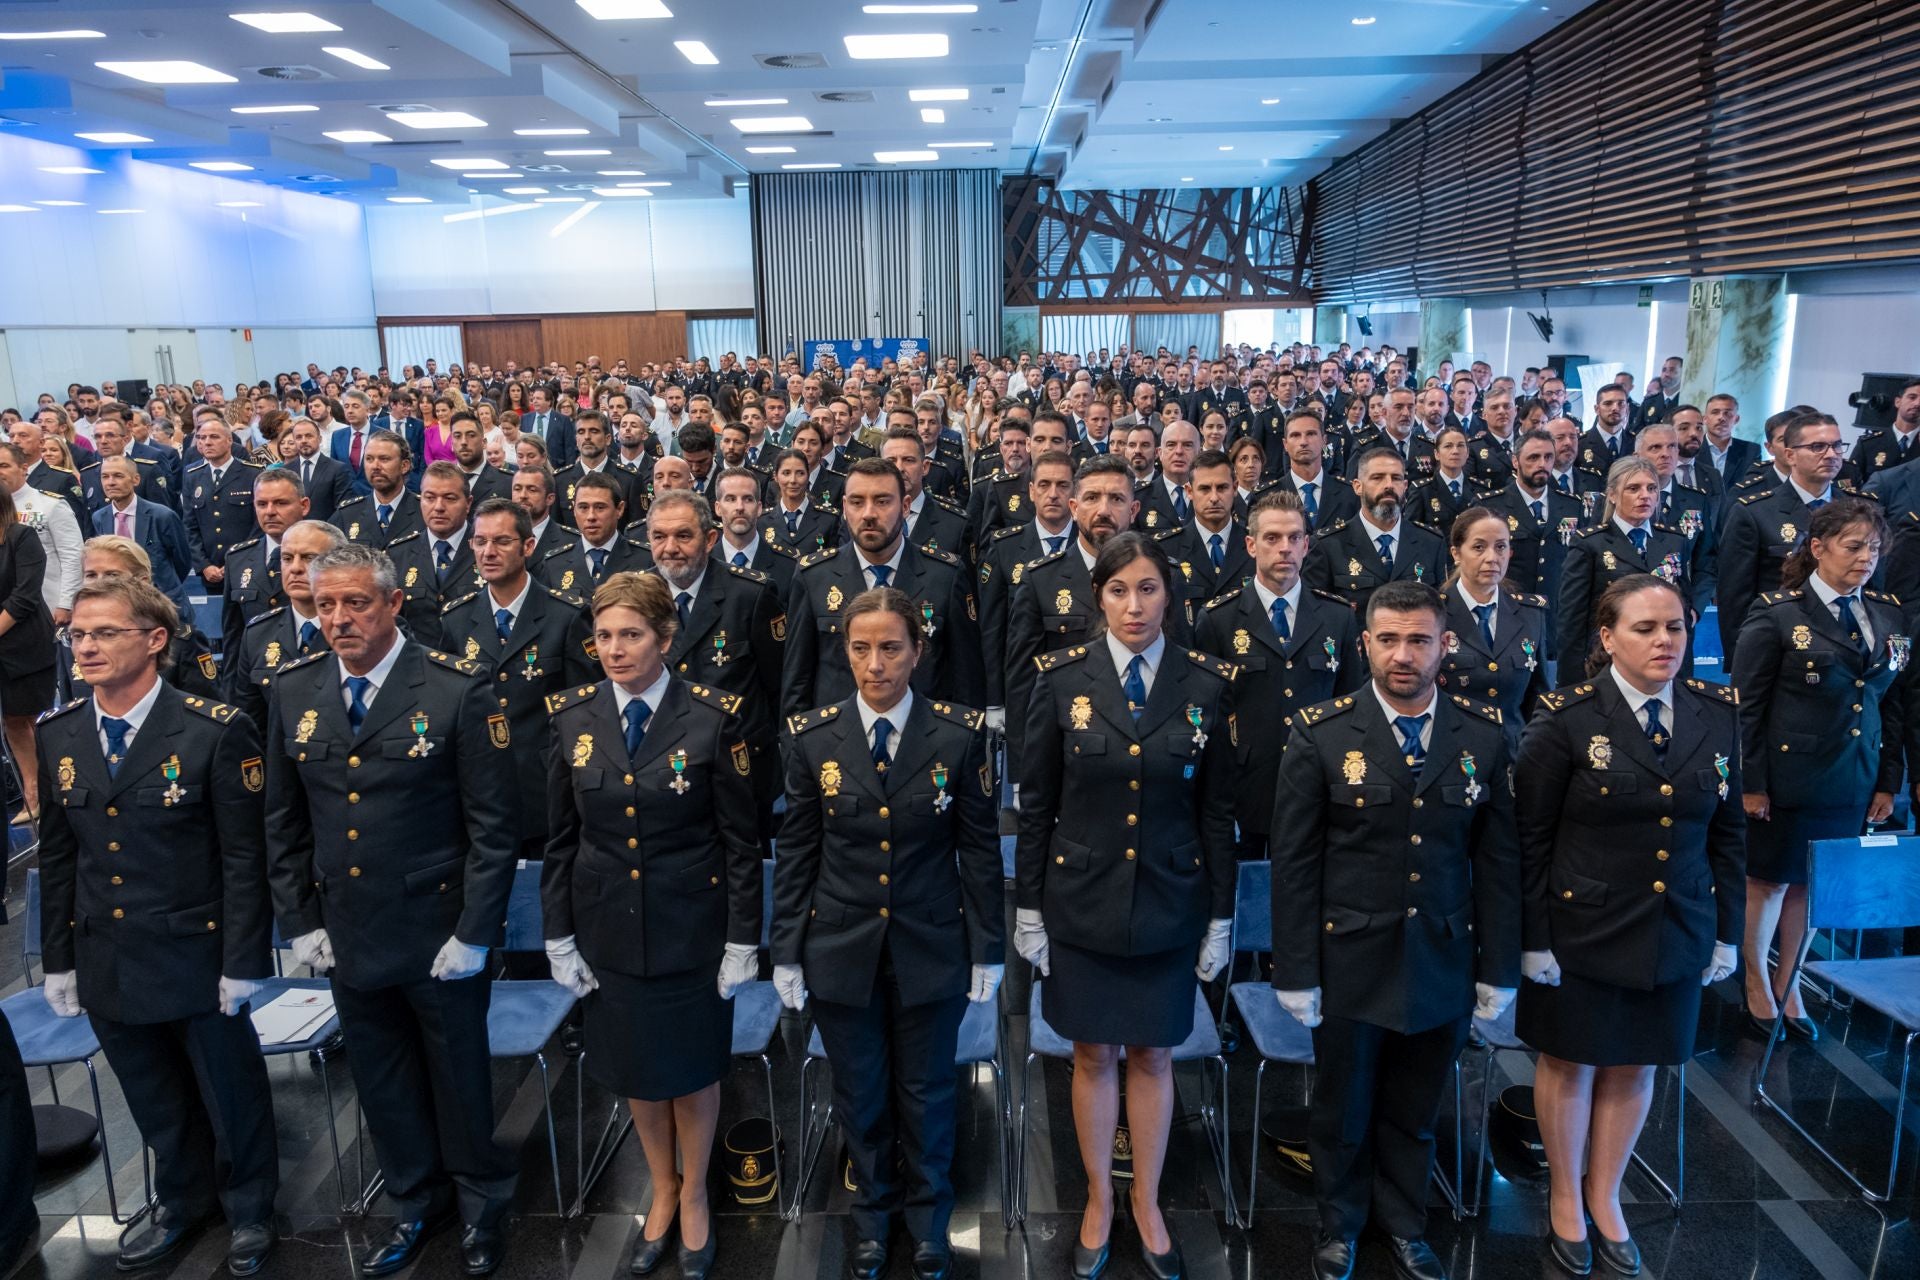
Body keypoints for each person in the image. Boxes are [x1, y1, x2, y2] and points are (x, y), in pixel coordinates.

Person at [264, 543, 519, 1277]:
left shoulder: (455, 689)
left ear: (393, 603)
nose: (338, 620)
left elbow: (493, 829)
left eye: (356, 603)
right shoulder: (293, 690)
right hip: (347, 925)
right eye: (324, 605)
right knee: (380, 1077)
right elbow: (283, 822)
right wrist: (300, 920)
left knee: (458, 1074)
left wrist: (475, 932)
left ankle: (480, 1199)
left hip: (438, 927)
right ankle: (415, 1198)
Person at [1270, 580, 1520, 1280]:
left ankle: (1406, 1222)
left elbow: (1498, 862)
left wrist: (1498, 965)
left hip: (1441, 952)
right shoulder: (1321, 732)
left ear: (1447, 644)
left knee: (1415, 1109)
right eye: (1388, 639)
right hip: (1349, 952)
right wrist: (1296, 969)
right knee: (1343, 1109)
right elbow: (1294, 864)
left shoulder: (1485, 735)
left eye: (1418, 639)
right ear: (1365, 646)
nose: (1403, 654)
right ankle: (1339, 1225)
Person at [35, 577, 279, 1275]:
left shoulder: (213, 731)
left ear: (155, 640)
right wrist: (59, 958)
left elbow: (242, 856)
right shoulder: (62, 733)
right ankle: (182, 1198)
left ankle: (251, 1207)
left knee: (230, 1094)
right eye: (78, 634)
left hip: (195, 948)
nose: (86, 646)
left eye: (105, 632)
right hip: (108, 949)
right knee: (152, 1096)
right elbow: (58, 854)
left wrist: (243, 958)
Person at [1015, 532, 1237, 1280]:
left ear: (1168, 597)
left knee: (1152, 1051)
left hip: (1172, 898)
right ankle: (1098, 1202)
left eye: (1146, 589)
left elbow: (1217, 813)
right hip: (1081, 897)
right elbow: (1037, 805)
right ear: (1096, 597)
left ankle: (1145, 1198)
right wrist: (1029, 909)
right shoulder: (1057, 678)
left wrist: (1221, 914)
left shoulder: (1206, 681)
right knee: (1092, 1052)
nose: (1133, 605)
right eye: (1117, 590)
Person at [1516, 575, 1745, 1278]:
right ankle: (1564, 1197)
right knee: (1573, 1062)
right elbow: (1528, 839)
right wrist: (1532, 939)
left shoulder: (1717, 713)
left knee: (1636, 1062)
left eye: (1674, 627)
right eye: (1644, 629)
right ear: (1607, 638)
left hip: (1675, 921)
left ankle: (1605, 1196)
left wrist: (1728, 932)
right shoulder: (1567, 718)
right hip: (1582, 925)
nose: (1664, 642)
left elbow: (1729, 835)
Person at [773, 587, 1002, 1280]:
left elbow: (980, 849)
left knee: (930, 1090)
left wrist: (987, 945)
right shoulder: (813, 736)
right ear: (845, 652)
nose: (877, 664)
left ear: (919, 651)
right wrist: (785, 948)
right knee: (862, 1092)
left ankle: (929, 1218)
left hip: (931, 940)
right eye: (862, 648)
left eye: (892, 647)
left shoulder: (958, 735)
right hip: (840, 944)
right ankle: (873, 1217)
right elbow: (798, 850)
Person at [542, 572, 761, 1280]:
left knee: (692, 1071)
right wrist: (557, 935)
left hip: (690, 925)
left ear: (666, 639)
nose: (614, 649)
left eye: (631, 634)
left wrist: (741, 938)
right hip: (608, 927)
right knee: (638, 1071)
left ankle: (695, 1194)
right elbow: (560, 839)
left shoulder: (712, 716)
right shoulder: (571, 717)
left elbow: (741, 842)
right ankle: (660, 1190)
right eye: (603, 635)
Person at [1729, 499, 1908, 1040]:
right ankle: (1756, 981)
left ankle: (1790, 981)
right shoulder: (1778, 612)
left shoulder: (1888, 614)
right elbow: (1746, 706)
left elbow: (1892, 701)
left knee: (1812, 884)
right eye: (1853, 547)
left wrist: (1887, 779)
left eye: (1873, 548)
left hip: (1853, 775)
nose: (1865, 559)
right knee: (1769, 882)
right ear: (1818, 548)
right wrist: (1751, 783)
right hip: (1788, 779)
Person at [1194, 490, 1364, 859]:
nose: (1284, 548)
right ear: (1251, 545)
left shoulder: (1338, 618)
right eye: (1272, 538)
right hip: (1247, 791)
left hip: (1321, 786)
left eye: (1294, 538)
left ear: (1306, 545)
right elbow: (1206, 718)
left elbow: (1354, 705)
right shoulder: (1219, 620)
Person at [438, 498, 596, 858]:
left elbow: (586, 709)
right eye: (480, 542)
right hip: (479, 791)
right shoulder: (457, 619)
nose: (488, 552)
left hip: (545, 790)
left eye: (502, 541)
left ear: (528, 546)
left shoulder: (566, 616)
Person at [780, 458, 982, 719]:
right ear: (844, 508)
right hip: (837, 747)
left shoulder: (945, 576)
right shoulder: (814, 577)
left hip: (925, 745)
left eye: (882, 501)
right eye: (856, 502)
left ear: (905, 506)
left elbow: (966, 679)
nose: (868, 514)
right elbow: (797, 681)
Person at [1718, 411, 1848, 670]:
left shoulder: (1858, 510)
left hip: (1844, 646)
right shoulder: (1755, 512)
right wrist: (1742, 660)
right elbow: (1734, 598)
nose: (1831, 454)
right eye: (1817, 447)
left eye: (1836, 446)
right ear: (1790, 455)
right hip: (1779, 647)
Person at [1557, 457, 1693, 671]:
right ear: (1612, 494)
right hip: (1608, 662)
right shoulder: (1590, 543)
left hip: (1663, 661)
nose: (1644, 496)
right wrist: (1571, 679)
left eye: (1651, 488)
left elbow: (1683, 608)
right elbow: (1572, 619)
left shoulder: (1674, 541)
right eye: (1633, 488)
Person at [1436, 508, 1549, 748]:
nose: (1492, 557)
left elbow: (1537, 700)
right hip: (1452, 751)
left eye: (1500, 547)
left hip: (1513, 754)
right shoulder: (1433, 613)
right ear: (1456, 553)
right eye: (1478, 547)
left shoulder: (1530, 615)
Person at [1302, 446, 1448, 616]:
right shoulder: (1327, 545)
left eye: (1396, 478)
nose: (1388, 485)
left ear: (1405, 486)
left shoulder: (1431, 542)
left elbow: (1441, 610)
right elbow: (1314, 613)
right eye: (1377, 478)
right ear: (1357, 486)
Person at [226, 519, 342, 729]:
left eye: (309, 558)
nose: (295, 568)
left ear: (340, 564)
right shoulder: (258, 634)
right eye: (287, 558)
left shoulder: (357, 629)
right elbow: (251, 723)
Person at [0, 488, 56, 824]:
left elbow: (25, 596)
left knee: (34, 719)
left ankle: (56, 790)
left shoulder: (22, 536)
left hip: (26, 645)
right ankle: (32, 795)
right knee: (10, 723)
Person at [220, 469, 309, 653]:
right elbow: (233, 634)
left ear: (304, 506)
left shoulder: (326, 555)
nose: (270, 512)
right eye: (261, 504)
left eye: (281, 503)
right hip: (256, 674)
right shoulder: (238, 558)